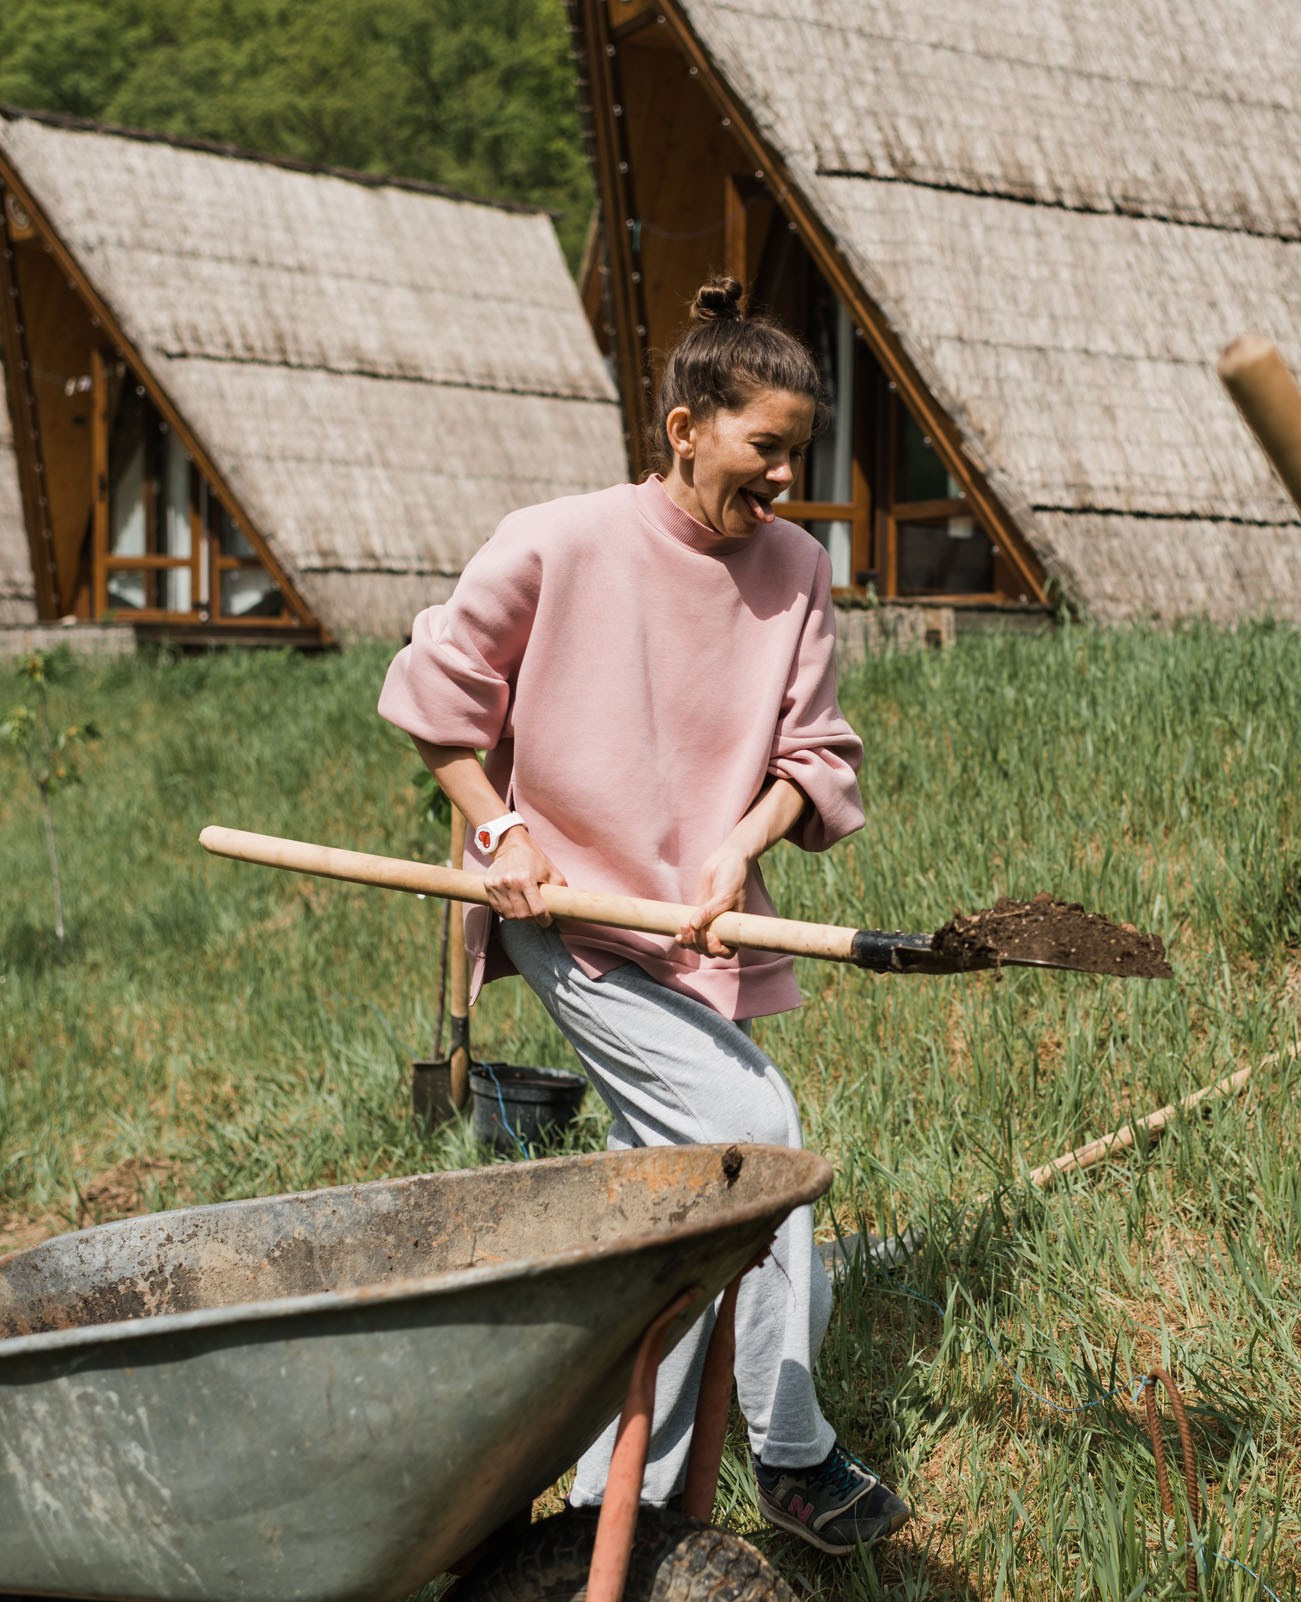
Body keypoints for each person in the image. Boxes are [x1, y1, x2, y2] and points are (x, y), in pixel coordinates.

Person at [379, 277, 911, 1555]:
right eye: (764, 447)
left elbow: (816, 753)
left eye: (800, 451)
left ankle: (625, 1499)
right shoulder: (557, 542)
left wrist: (737, 847)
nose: (786, 475)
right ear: (685, 428)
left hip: (697, 926)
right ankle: (793, 1453)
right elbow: (431, 698)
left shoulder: (795, 571)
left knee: (675, 1211)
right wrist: (500, 829)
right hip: (571, 919)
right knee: (756, 1141)